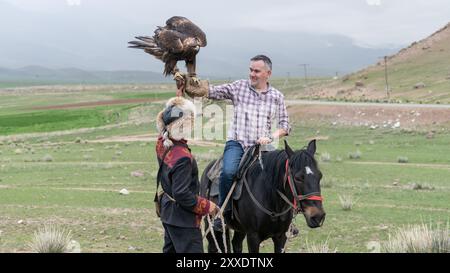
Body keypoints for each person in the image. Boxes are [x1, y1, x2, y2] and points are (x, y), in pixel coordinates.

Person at [180, 55, 291, 231]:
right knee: (228, 172)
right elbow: (212, 92)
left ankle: (286, 219)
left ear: (267, 73)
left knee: (282, 175)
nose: (252, 74)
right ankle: (224, 214)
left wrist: (271, 137)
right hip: (237, 143)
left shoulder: (277, 96)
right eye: (251, 70)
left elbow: (285, 125)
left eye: (257, 71)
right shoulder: (239, 87)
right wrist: (194, 85)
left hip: (263, 147)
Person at [155, 93, 219, 253]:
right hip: (183, 220)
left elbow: (170, 115)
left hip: (168, 213)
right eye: (190, 121)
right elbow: (182, 194)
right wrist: (207, 206)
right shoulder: (183, 157)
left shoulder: (162, 144)